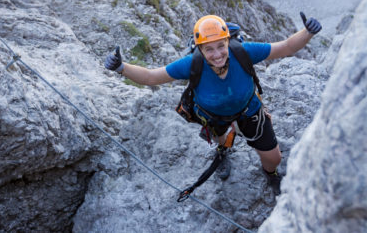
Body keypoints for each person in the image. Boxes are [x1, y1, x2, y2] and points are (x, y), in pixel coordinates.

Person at [104, 13, 322, 195]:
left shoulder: (242, 52)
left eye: (221, 46)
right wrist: (122, 68)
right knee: (221, 138)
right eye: (209, 49)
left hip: (250, 111)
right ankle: (223, 147)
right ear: (199, 49)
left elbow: (285, 47)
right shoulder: (192, 64)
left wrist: (308, 32)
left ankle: (270, 173)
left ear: (228, 41)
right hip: (213, 116)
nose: (217, 54)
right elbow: (151, 77)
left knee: (273, 158)